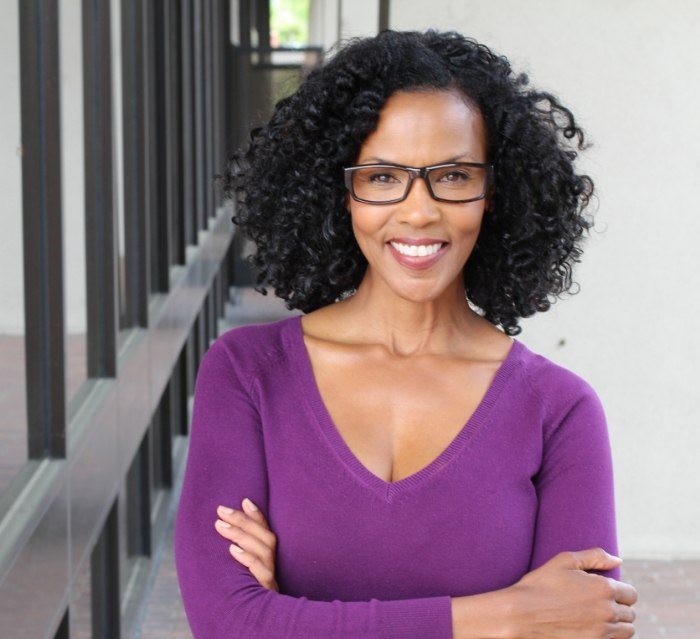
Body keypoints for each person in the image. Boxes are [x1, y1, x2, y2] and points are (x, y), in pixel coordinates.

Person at [174, 29, 638, 638]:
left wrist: (290, 617)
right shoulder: (248, 372)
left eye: (452, 175)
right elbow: (227, 623)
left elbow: (580, 626)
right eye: (382, 177)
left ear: (493, 192)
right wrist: (503, 616)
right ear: (339, 192)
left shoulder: (559, 410)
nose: (418, 211)